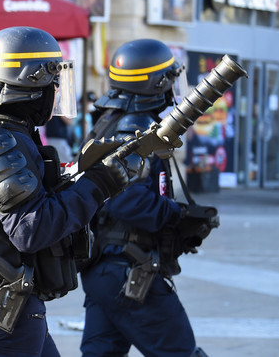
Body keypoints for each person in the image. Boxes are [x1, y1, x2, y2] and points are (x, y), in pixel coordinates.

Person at [0, 26, 140, 357]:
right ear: (31, 85)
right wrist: (98, 186)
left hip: (16, 307)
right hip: (1, 314)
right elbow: (31, 228)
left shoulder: (13, 135)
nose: (55, 92)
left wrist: (83, 179)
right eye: (52, 84)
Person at [79, 39, 208, 357]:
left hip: (107, 269)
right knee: (181, 352)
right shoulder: (133, 132)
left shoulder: (111, 124)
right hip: (128, 268)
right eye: (170, 78)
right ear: (157, 83)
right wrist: (177, 216)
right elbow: (127, 201)